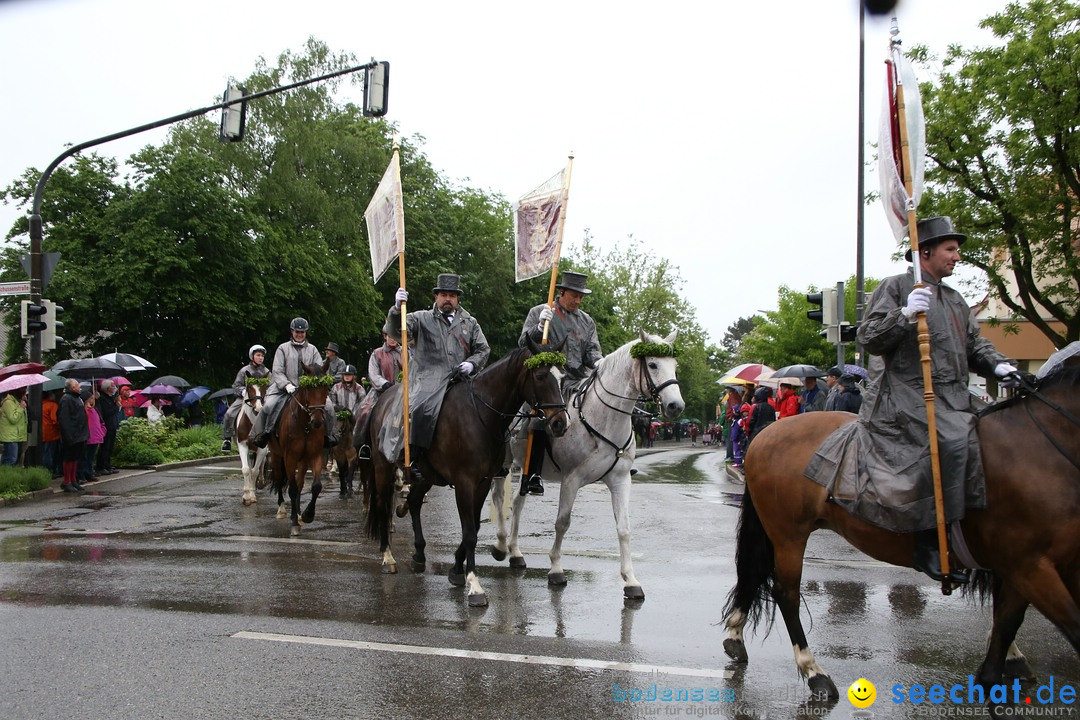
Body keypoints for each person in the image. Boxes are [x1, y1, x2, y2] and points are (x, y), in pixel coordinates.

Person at [806, 216, 1018, 584]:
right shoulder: (896, 286)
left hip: (953, 396)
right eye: (950, 250)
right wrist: (904, 314)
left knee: (998, 435)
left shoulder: (955, 299)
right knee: (950, 441)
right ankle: (929, 542)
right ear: (926, 252)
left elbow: (974, 345)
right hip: (903, 394)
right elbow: (870, 337)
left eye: (956, 250)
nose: (956, 257)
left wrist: (999, 366)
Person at [384, 274, 490, 480]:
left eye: (452, 295)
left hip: (461, 379)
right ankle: (415, 458)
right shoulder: (420, 318)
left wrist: (472, 363)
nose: (447, 299)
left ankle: (492, 458)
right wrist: (397, 310)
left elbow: (483, 349)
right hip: (428, 378)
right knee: (422, 409)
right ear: (436, 296)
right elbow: (397, 332)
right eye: (443, 295)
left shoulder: (470, 322)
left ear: (457, 298)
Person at [516, 271, 602, 494]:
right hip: (550, 378)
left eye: (581, 297)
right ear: (561, 292)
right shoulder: (539, 312)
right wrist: (538, 328)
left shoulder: (586, 321)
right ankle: (532, 474)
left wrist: (600, 363)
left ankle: (607, 462)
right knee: (538, 416)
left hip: (579, 379)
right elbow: (522, 343)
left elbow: (592, 352)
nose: (578, 301)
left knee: (603, 404)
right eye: (575, 295)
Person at [251, 317, 338, 448]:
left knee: (330, 408)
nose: (299, 334)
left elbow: (320, 370)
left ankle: (330, 435)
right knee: (268, 406)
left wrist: (313, 384)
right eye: (297, 331)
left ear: (306, 333)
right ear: (292, 332)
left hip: (309, 391)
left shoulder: (313, 350)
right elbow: (277, 370)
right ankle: (262, 434)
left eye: (302, 332)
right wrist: (286, 384)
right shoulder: (282, 348)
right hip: (284, 388)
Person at [353, 333, 406, 459]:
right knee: (364, 413)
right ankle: (364, 445)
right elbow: (373, 374)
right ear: (385, 336)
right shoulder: (376, 353)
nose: (392, 339)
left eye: (395, 336)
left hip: (402, 393)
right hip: (380, 392)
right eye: (390, 336)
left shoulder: (406, 353)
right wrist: (385, 384)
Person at [221, 345, 270, 453]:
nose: (261, 358)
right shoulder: (244, 370)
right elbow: (236, 386)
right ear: (252, 356)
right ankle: (227, 439)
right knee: (229, 414)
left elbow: (271, 386)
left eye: (262, 356)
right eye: (258, 355)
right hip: (245, 399)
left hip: (262, 399)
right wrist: (243, 391)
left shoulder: (267, 372)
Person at [58, 378, 88, 493]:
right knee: (69, 458)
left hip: (80, 434)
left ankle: (73, 480)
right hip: (72, 434)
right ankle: (67, 481)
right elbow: (64, 419)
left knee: (75, 458)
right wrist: (68, 435)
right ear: (71, 387)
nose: (79, 386)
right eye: (76, 385)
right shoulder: (66, 399)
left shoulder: (77, 398)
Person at [95, 380, 120, 475]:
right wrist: (116, 406)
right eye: (113, 386)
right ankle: (101, 466)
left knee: (110, 447)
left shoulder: (111, 398)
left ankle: (108, 465)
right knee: (105, 447)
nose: (114, 388)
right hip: (107, 425)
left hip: (113, 425)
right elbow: (106, 413)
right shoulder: (103, 399)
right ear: (108, 388)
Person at [79, 392, 105, 483]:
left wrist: (102, 431)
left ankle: (89, 473)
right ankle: (83, 473)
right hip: (88, 436)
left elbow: (101, 421)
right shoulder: (83, 410)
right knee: (85, 457)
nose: (92, 400)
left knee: (91, 457)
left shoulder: (95, 410)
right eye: (91, 398)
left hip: (96, 436)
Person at [0, 388, 27, 466]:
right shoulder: (8, 402)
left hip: (17, 435)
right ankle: (6, 476)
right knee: (11, 459)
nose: (24, 395)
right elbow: (13, 419)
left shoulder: (17, 402)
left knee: (12, 459)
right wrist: (21, 408)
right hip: (10, 436)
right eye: (23, 393)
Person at [41, 389, 61, 477]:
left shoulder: (41, 404)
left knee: (46, 452)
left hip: (43, 432)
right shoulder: (53, 405)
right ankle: (50, 471)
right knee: (51, 453)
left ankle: (46, 471)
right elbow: (54, 420)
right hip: (52, 433)